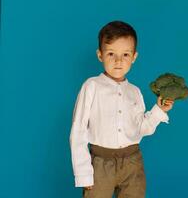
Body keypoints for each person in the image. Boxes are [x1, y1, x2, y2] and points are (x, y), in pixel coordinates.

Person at [69, 20, 174, 197]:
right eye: (111, 54)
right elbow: (78, 131)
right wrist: (84, 174)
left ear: (134, 57)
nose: (118, 61)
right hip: (101, 164)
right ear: (100, 55)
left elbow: (142, 128)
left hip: (133, 163)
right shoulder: (91, 86)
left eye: (125, 54)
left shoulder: (135, 92)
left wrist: (159, 110)